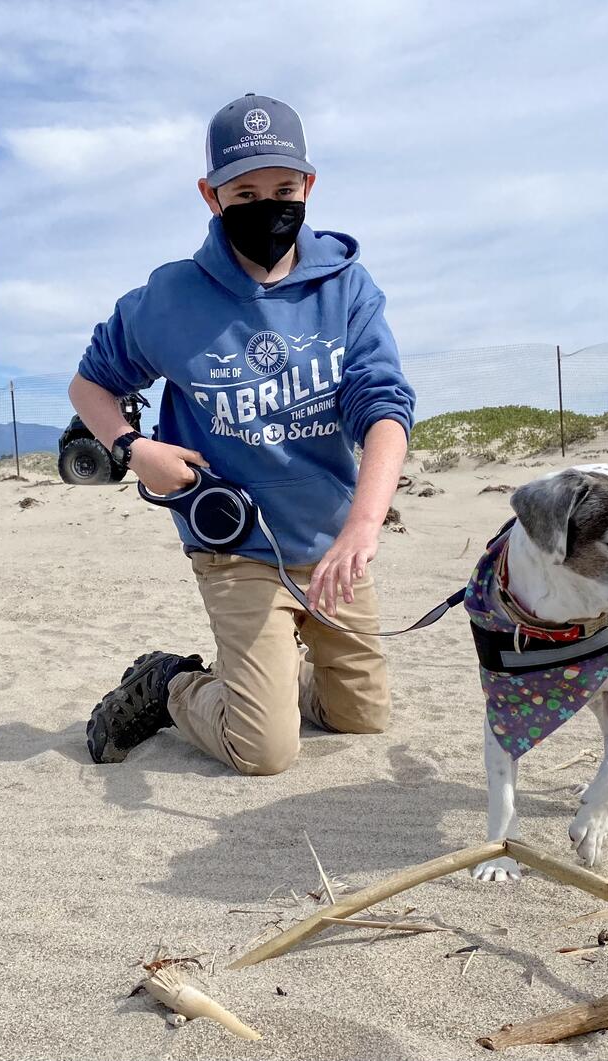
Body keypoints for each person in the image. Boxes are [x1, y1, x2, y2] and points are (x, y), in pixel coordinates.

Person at [68, 93, 416, 775]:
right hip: (237, 549)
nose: (269, 205)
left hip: (330, 545)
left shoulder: (347, 287)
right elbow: (89, 385)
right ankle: (171, 686)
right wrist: (133, 450)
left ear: (309, 186)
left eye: (285, 189)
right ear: (211, 194)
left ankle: (269, 683)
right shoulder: (170, 297)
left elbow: (384, 409)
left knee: (361, 716)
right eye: (245, 191)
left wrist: (363, 527)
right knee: (262, 751)